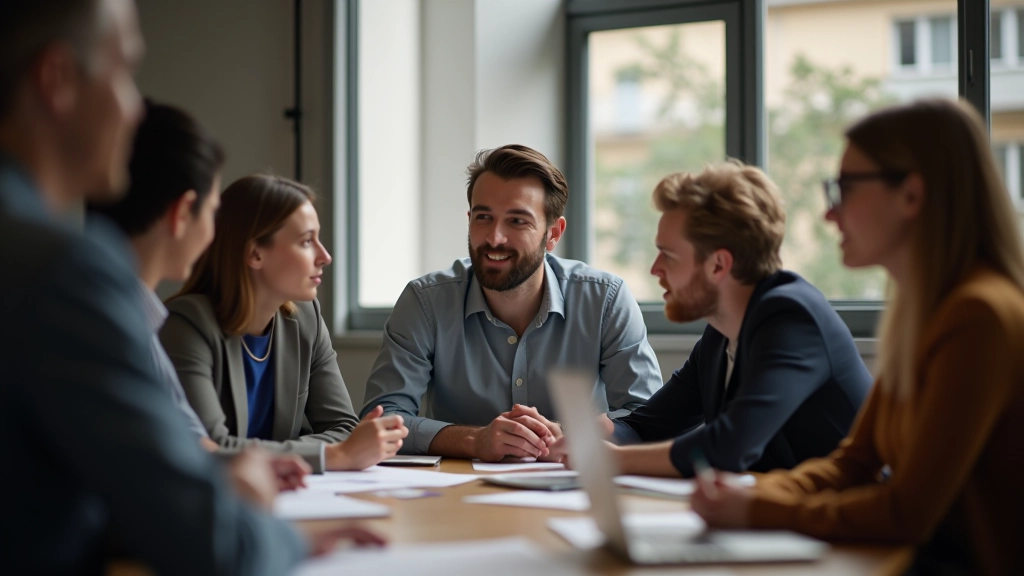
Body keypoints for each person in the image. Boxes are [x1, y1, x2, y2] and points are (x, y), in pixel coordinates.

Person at [0, 1, 379, 574]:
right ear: (57, 79)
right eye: (124, 72)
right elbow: (206, 542)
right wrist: (277, 527)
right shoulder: (67, 273)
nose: (134, 111)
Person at [691, 99, 1024, 576]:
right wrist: (750, 493)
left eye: (844, 188)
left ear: (911, 195)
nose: (831, 213)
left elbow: (906, 512)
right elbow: (855, 462)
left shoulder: (979, 315)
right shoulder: (923, 312)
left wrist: (757, 511)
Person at [552, 161, 871, 477]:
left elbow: (729, 447)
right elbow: (647, 426)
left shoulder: (792, 319)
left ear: (718, 265)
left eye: (669, 255)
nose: (655, 269)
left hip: (855, 521)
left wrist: (613, 460)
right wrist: (596, 433)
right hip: (781, 517)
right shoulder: (722, 333)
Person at [361, 144, 662, 461]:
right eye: (483, 217)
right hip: (457, 495)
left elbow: (648, 418)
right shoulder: (424, 302)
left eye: (517, 221)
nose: (495, 238)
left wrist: (570, 436)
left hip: (574, 494)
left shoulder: (605, 300)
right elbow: (381, 420)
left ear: (553, 233)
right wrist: (475, 440)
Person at [88, 98, 312, 496]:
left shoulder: (135, 317)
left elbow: (198, 448)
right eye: (212, 212)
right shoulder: (130, 326)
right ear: (182, 213)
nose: (215, 236)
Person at [161, 174, 409, 473]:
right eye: (306, 241)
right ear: (255, 253)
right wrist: (333, 456)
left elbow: (344, 428)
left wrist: (342, 448)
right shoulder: (186, 326)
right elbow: (210, 446)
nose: (325, 256)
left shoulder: (306, 318)